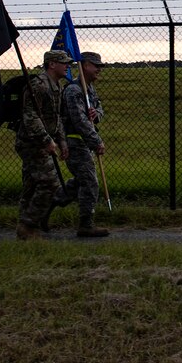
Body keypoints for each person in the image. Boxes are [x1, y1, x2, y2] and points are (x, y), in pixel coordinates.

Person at [49, 51, 109, 237]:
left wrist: (96, 114)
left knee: (79, 182)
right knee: (90, 183)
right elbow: (79, 121)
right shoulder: (74, 90)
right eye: (95, 65)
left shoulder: (89, 88)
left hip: (83, 143)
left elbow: (99, 109)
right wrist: (96, 141)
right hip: (74, 142)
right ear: (84, 66)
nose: (99, 69)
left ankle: (47, 205)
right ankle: (85, 224)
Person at [14, 50, 71, 240]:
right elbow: (30, 117)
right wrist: (46, 140)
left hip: (44, 141)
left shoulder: (57, 86)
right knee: (49, 182)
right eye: (63, 63)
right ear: (51, 64)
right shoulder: (38, 86)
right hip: (31, 142)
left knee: (32, 184)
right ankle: (28, 223)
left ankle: (26, 228)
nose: (67, 66)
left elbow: (56, 117)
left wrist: (62, 141)